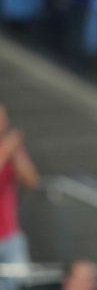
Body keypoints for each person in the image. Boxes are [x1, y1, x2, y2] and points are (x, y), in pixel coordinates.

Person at [0, 104, 39, 290]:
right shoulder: (6, 147)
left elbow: (31, 181)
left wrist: (16, 154)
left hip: (9, 233)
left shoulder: (11, 147)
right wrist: (7, 149)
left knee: (20, 283)